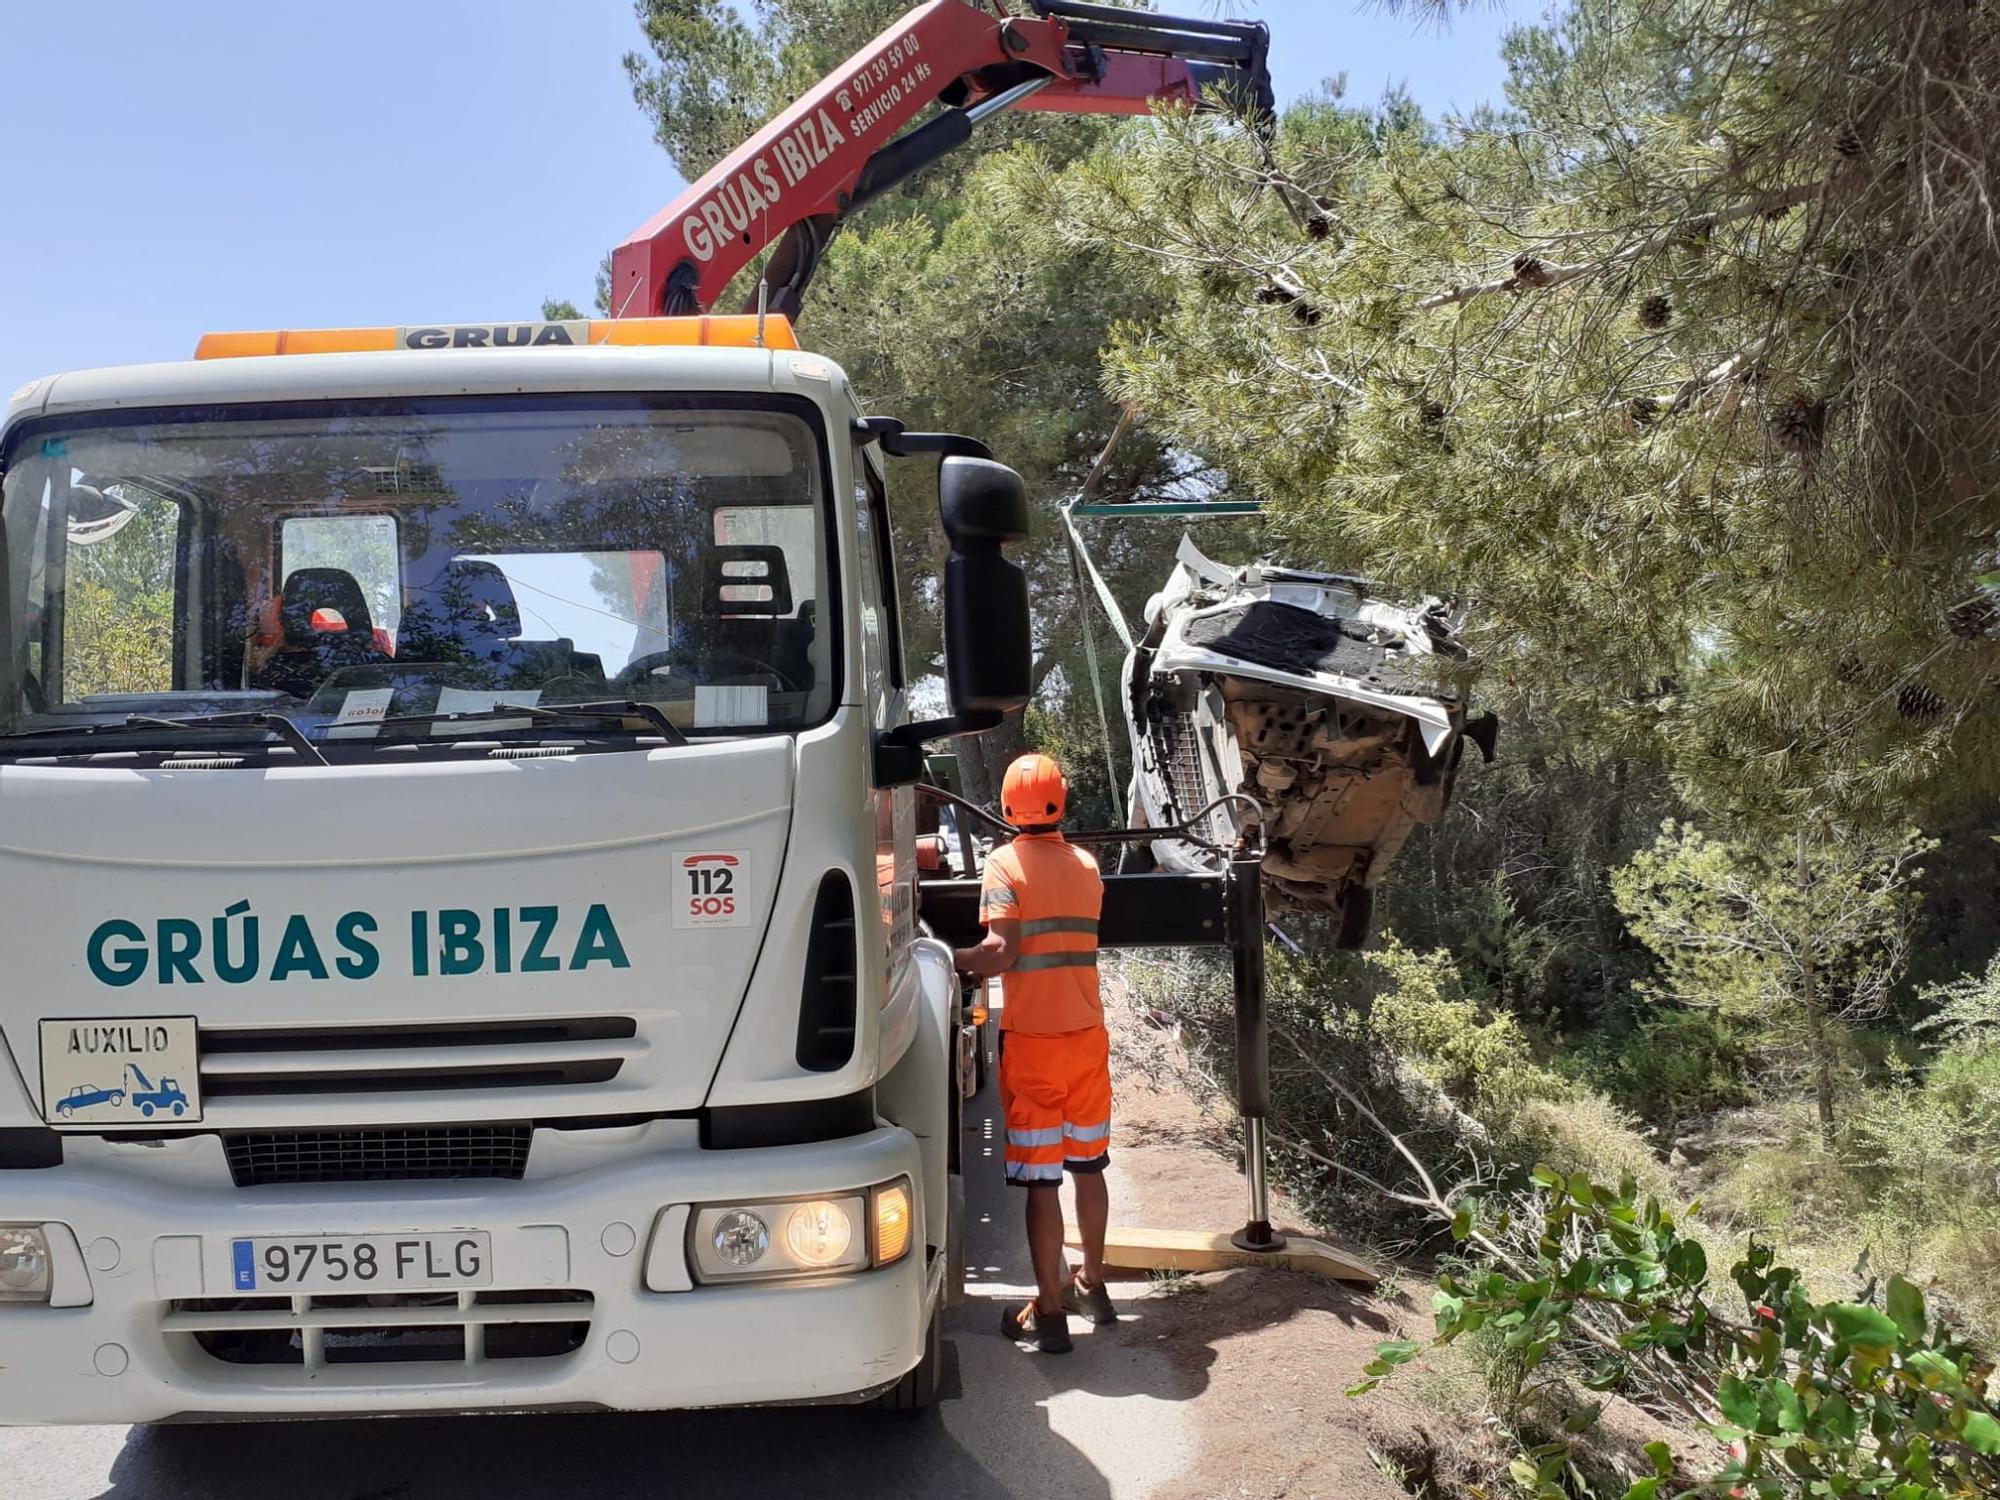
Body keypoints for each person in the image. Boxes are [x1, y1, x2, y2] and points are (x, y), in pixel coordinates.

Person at [953, 752, 1118, 1354]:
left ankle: (1049, 1313)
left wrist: (947, 956)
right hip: (1086, 1039)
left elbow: (1000, 952)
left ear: (1005, 805)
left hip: (1033, 1046)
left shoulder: (1003, 864)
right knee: (1089, 1167)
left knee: (1041, 1182)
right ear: (1062, 801)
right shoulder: (1086, 864)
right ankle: (1092, 1286)